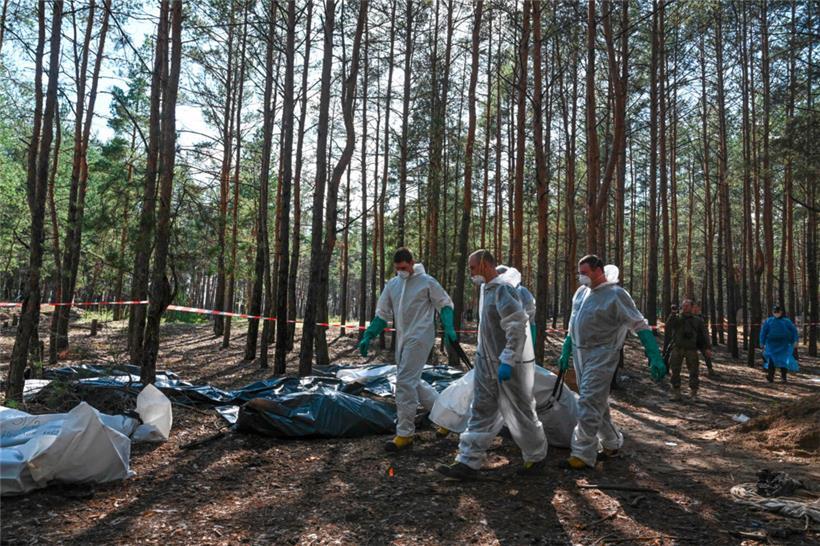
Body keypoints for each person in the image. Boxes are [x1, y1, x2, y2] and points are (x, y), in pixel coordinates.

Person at [437, 250, 548, 479]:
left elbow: (517, 327)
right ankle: (467, 462)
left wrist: (507, 360)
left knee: (521, 412)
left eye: (473, 268)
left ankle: (536, 457)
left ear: (486, 265)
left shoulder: (503, 290)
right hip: (486, 364)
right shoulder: (485, 289)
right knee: (481, 409)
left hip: (510, 366)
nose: (471, 273)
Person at [557, 255, 665, 470]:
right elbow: (573, 323)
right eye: (580, 273)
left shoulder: (616, 295)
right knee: (597, 402)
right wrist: (566, 349)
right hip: (580, 354)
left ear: (599, 270)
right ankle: (612, 443)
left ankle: (582, 453)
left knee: (587, 401)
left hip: (603, 354)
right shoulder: (581, 293)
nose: (581, 277)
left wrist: (653, 354)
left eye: (585, 272)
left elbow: (639, 324)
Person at [357, 247, 457, 452]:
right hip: (403, 338)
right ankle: (447, 419)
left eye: (403, 267)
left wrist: (448, 327)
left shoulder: (427, 282)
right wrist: (368, 335)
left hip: (421, 337)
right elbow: (382, 314)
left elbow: (444, 304)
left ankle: (405, 434)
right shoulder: (393, 284)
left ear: (412, 263)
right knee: (414, 382)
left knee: (404, 382)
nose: (400, 271)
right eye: (397, 269)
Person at [664, 299, 712, 400]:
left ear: (691, 307)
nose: (685, 307)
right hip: (677, 348)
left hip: (691, 349)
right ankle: (676, 393)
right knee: (675, 370)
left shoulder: (697, 320)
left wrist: (707, 348)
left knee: (694, 371)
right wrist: (672, 314)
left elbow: (703, 335)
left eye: (687, 306)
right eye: (683, 306)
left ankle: (693, 393)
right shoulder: (677, 318)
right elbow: (668, 326)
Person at [760, 304, 799, 383]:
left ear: (781, 312)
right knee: (771, 360)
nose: (776, 313)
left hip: (783, 345)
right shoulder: (769, 321)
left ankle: (783, 378)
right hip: (771, 345)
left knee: (783, 361)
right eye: (775, 312)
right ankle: (770, 376)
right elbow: (763, 332)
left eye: (777, 312)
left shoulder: (786, 321)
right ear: (773, 312)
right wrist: (762, 342)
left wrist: (795, 341)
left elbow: (794, 331)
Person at [691, 302, 715, 377]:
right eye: (694, 307)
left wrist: (708, 344)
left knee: (707, 356)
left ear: (699, 309)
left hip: (702, 341)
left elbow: (705, 331)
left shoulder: (702, 318)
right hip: (692, 341)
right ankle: (694, 371)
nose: (695, 309)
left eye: (696, 307)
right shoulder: (689, 317)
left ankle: (710, 370)